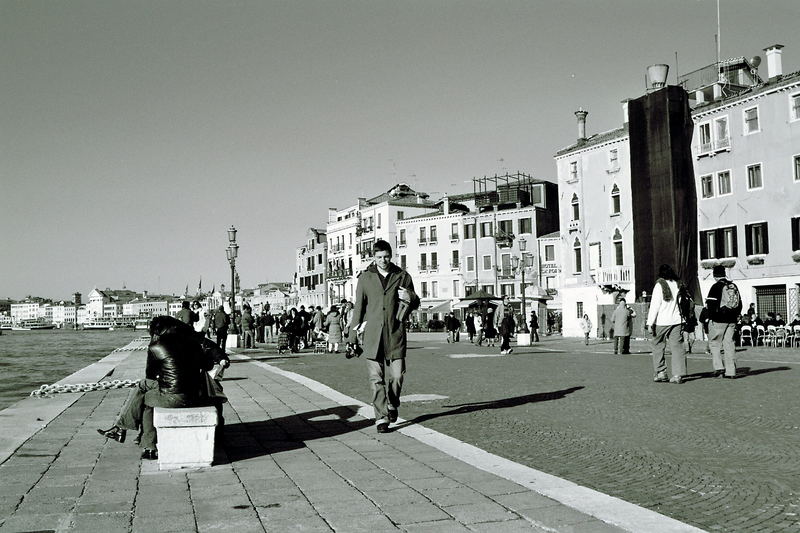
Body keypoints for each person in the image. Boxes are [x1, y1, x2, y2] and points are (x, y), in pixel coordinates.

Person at [96, 316, 222, 459]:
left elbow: (150, 375)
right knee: (145, 391)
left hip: (174, 397)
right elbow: (208, 366)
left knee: (145, 396)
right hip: (195, 395)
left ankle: (143, 444)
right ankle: (123, 430)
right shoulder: (193, 344)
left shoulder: (156, 346)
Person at [347, 239, 419, 434]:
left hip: (395, 333)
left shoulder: (402, 276)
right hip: (373, 336)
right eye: (379, 257)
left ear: (391, 255)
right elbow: (359, 308)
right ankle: (381, 418)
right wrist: (352, 337)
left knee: (397, 375)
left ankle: (393, 403)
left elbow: (416, 301)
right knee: (375, 379)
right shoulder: (365, 278)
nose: (383, 260)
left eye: (386, 256)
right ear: (374, 257)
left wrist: (411, 298)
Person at [646, 264, 687, 384]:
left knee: (658, 345)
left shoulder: (659, 285)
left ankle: (661, 372)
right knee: (677, 347)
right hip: (677, 320)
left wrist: (650, 323)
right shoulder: (678, 284)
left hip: (662, 321)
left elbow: (655, 305)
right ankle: (678, 374)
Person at [705, 265, 742, 379]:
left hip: (719, 320)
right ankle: (731, 371)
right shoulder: (733, 286)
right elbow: (740, 303)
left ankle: (719, 368)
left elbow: (710, 305)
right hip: (732, 320)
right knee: (729, 344)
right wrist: (735, 316)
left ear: (715, 275)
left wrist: (710, 318)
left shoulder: (716, 286)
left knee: (715, 343)